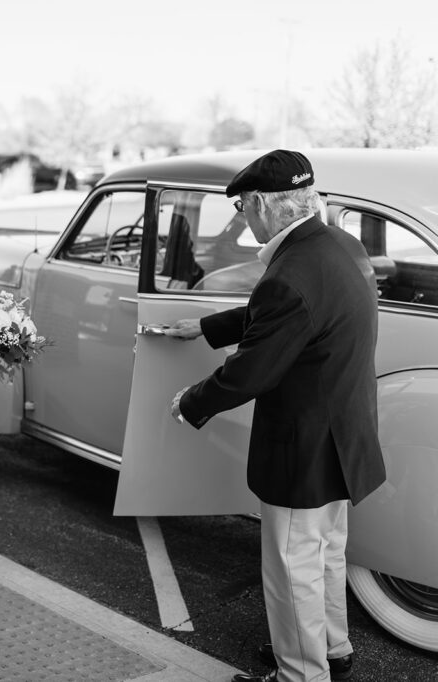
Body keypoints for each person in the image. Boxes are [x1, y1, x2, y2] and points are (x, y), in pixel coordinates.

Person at [164, 150, 386, 682]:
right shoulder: (338, 245)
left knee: (292, 568)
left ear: (263, 203)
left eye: (242, 207)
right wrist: (207, 327)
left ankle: (300, 674)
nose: (243, 218)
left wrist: (191, 401)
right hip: (343, 434)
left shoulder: (291, 272)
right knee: (326, 552)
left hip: (302, 444)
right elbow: (291, 313)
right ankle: (332, 647)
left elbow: (252, 372)